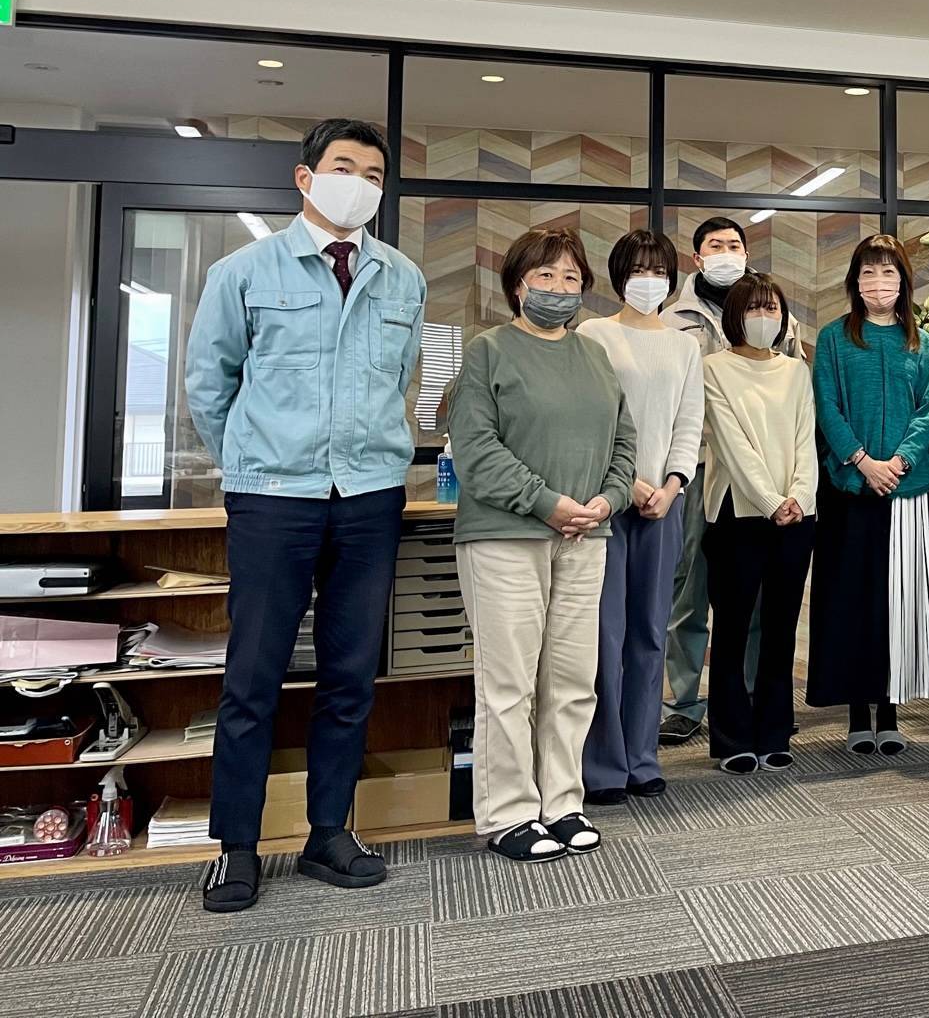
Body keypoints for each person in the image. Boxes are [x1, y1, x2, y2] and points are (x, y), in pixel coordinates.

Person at [184, 117, 426, 913]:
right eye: (343, 166)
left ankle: (329, 831)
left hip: (368, 496)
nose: (359, 181)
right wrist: (254, 465)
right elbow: (208, 386)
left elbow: (401, 382)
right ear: (305, 177)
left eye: (373, 172)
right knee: (253, 674)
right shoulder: (244, 270)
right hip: (273, 499)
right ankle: (238, 846)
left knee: (351, 673)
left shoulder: (402, 278)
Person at [447, 227, 636, 862]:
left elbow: (623, 441)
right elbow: (475, 452)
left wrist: (607, 500)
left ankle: (563, 801)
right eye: (545, 276)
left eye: (570, 277)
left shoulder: (596, 356)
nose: (559, 288)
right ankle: (509, 812)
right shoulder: (487, 351)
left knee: (573, 678)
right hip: (507, 536)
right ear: (518, 285)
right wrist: (546, 502)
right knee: (509, 681)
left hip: (588, 535)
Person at [661, 217, 800, 746]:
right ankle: (684, 699)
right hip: (697, 467)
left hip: (763, 474)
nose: (727, 252)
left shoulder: (774, 312)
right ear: (697, 257)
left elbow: (793, 387)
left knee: (757, 596)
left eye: (735, 245)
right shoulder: (676, 319)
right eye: (715, 245)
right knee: (690, 586)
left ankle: (747, 695)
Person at [577, 230, 704, 805]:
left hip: (663, 507)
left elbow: (689, 424)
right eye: (637, 268)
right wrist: (626, 482)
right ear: (618, 273)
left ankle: (641, 756)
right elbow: (592, 420)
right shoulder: (592, 335)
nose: (648, 278)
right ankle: (602, 764)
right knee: (605, 634)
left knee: (652, 632)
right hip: (607, 502)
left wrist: (673, 486)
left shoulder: (683, 346)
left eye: (658, 269)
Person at [809, 235, 929, 754]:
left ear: (903, 281)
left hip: (906, 490)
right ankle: (856, 715)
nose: (878, 284)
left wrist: (900, 461)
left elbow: (928, 409)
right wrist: (862, 461)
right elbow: (827, 406)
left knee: (899, 602)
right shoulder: (834, 339)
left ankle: (889, 713)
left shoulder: (923, 344)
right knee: (852, 600)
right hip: (850, 488)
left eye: (888, 273)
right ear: (854, 282)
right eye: (868, 273)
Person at [701, 272, 818, 774]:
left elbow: (805, 440)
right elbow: (731, 444)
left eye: (773, 309)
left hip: (796, 515)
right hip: (738, 513)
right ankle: (731, 737)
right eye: (754, 309)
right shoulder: (712, 367)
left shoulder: (795, 371)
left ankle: (774, 731)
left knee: (780, 628)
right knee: (731, 626)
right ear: (735, 315)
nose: (764, 318)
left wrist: (799, 497)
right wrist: (772, 499)